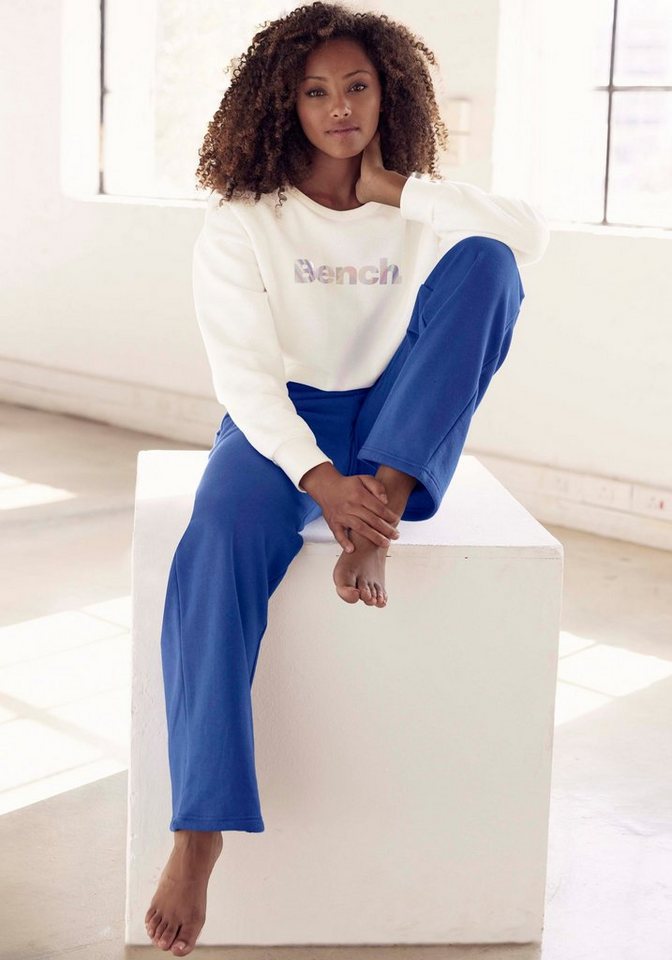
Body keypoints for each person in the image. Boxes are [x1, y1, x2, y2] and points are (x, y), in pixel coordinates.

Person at [144, 2, 550, 953]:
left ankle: (382, 521)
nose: (340, 108)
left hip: (395, 415)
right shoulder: (245, 219)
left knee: (490, 266)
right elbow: (245, 379)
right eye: (317, 91)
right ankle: (199, 830)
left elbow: (527, 239)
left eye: (358, 87)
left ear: (387, 93)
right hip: (282, 421)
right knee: (215, 546)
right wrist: (318, 477)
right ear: (282, 104)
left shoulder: (418, 206)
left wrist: (400, 191)